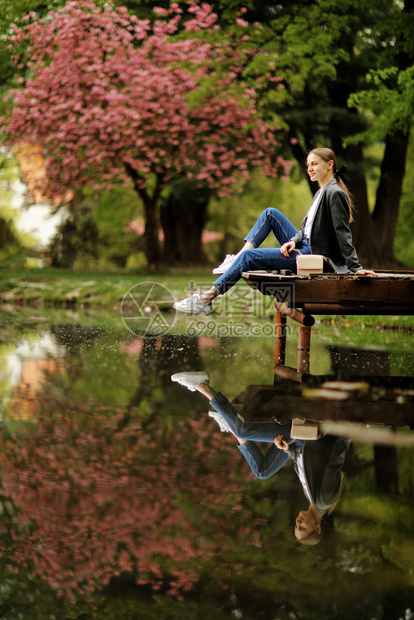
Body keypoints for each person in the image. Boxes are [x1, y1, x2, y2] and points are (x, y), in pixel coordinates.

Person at [174, 147, 377, 315]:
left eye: (314, 164)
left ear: (330, 164)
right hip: (304, 245)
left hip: (312, 256)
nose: (310, 169)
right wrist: (294, 241)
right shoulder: (320, 193)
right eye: (308, 165)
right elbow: (304, 229)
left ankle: (206, 299)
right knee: (270, 214)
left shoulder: (334, 193)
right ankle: (238, 256)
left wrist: (355, 268)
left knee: (249, 259)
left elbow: (343, 234)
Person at [171, 370, 350, 545]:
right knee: (243, 429)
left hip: (297, 441)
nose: (297, 522)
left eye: (296, 526)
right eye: (302, 528)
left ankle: (232, 426)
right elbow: (334, 455)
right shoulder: (325, 500)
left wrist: (287, 449)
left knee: (262, 471)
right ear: (318, 528)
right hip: (307, 432)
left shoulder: (311, 498)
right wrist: (346, 429)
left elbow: (303, 460)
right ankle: (202, 385)